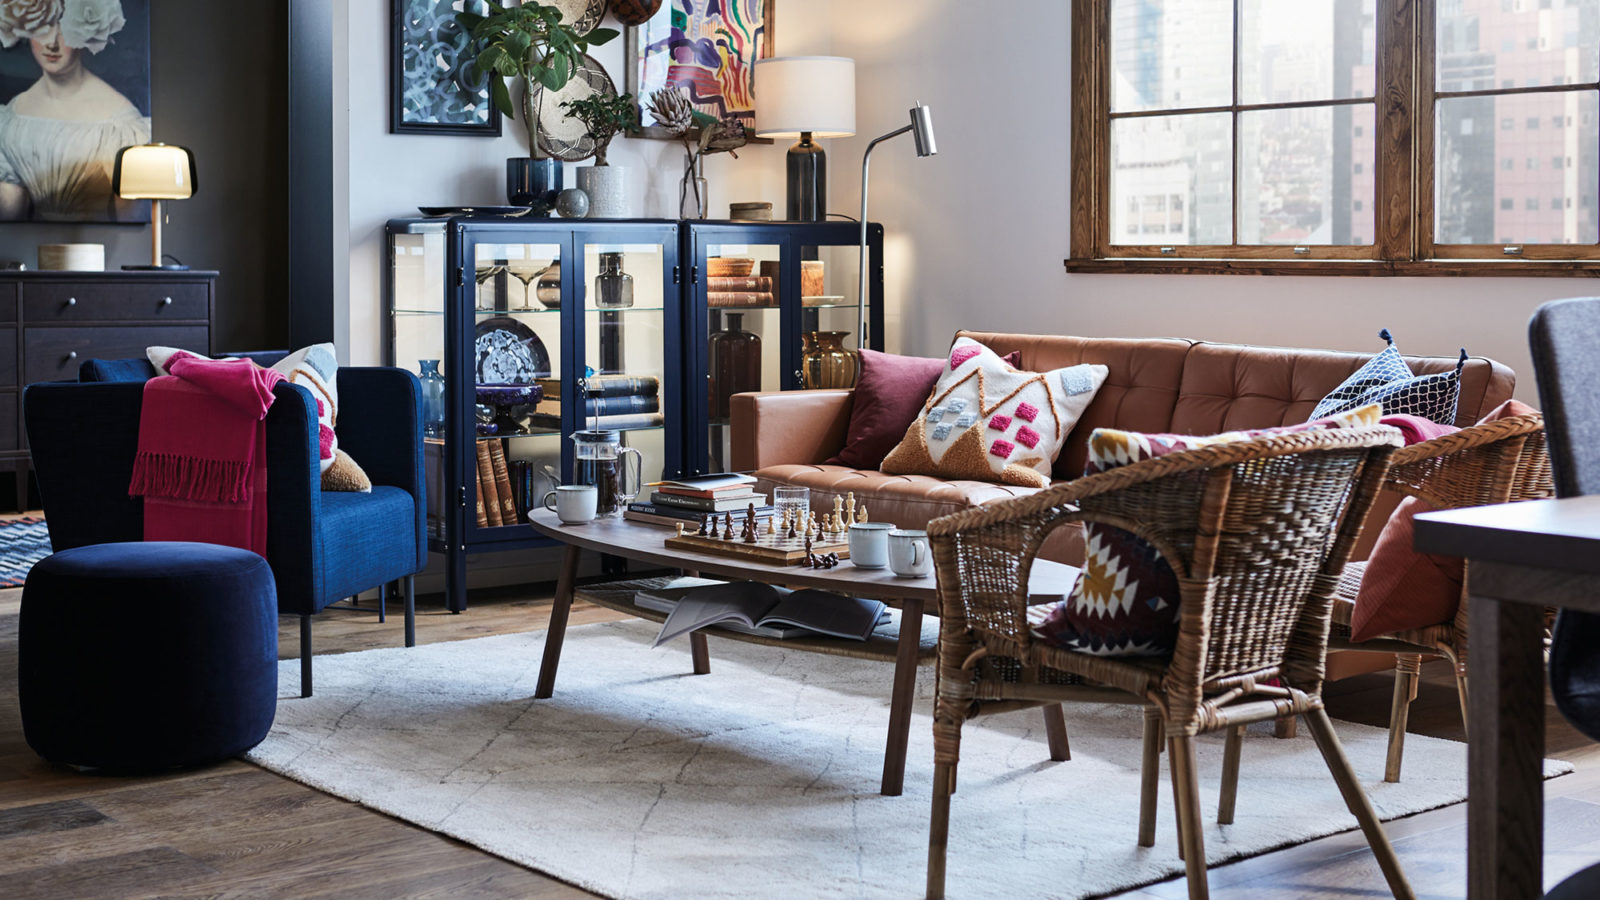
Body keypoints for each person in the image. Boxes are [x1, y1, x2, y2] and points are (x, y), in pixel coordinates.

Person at [0, 0, 148, 221]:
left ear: (85, 35)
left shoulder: (118, 123)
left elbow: (131, 217)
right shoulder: (13, 115)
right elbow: (11, 211)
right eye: (42, 30)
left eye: (65, 32)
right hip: (32, 240)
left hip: (101, 240)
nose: (52, 44)